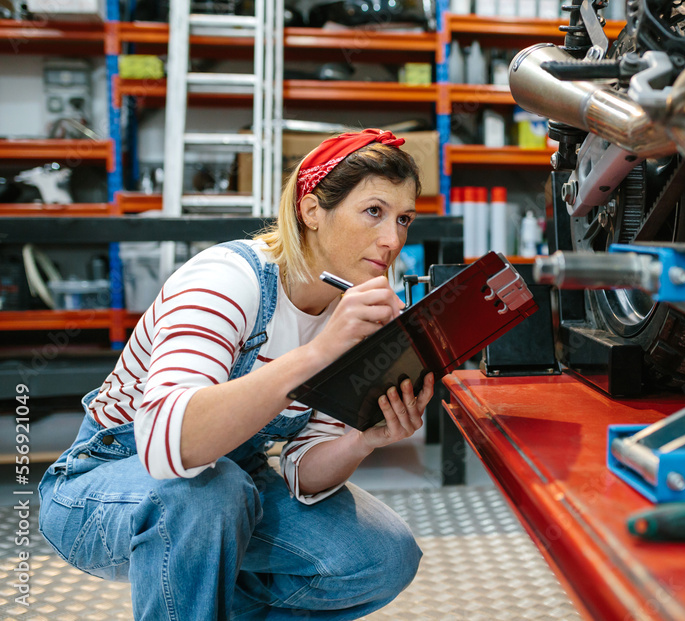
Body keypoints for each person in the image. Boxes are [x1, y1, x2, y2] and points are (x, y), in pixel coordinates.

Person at [37, 129, 435, 620]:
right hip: (100, 487)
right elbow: (168, 448)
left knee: (381, 558)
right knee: (210, 495)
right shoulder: (227, 279)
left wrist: (362, 439)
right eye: (373, 212)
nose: (393, 239)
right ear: (312, 211)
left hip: (232, 486)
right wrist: (317, 354)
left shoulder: (349, 315)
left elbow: (302, 472)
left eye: (404, 219)